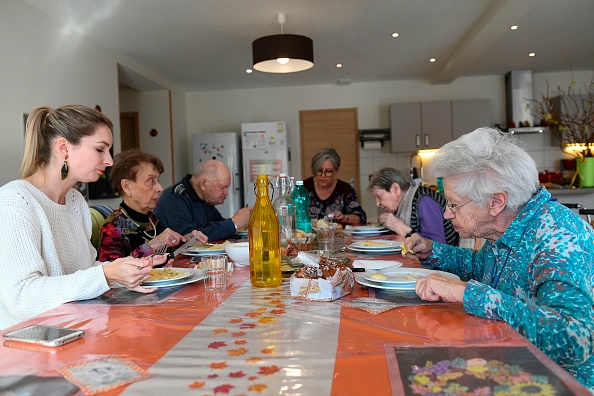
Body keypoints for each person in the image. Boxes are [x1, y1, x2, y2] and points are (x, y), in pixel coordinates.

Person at [403, 127, 594, 390]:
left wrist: (469, 293)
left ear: (496, 202)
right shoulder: (509, 226)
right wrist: (433, 250)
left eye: (454, 205)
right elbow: (482, 267)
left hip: (560, 383)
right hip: (509, 363)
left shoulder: (557, 236)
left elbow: (573, 340)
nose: (447, 214)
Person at [0, 105, 168, 330]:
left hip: (76, 328)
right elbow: (21, 299)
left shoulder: (75, 200)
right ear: (64, 148)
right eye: (100, 149)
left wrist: (127, 268)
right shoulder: (16, 200)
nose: (109, 161)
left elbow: (87, 270)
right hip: (29, 345)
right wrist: (106, 274)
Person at [98, 149, 207, 261]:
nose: (160, 188)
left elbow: (164, 256)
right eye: (151, 181)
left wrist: (186, 241)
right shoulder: (113, 227)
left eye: (157, 180)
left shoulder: (151, 219)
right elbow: (111, 272)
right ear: (127, 186)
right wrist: (150, 247)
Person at [154, 160, 251, 240]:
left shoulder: (204, 197)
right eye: (222, 188)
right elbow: (192, 238)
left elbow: (218, 224)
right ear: (203, 184)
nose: (226, 193)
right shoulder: (175, 198)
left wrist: (242, 222)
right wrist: (234, 223)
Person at [368, 167, 459, 245]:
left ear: (395, 189)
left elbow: (438, 244)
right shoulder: (403, 203)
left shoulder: (424, 200)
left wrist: (404, 230)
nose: (377, 203)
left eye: (379, 196)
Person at [304, 148, 366, 226]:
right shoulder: (303, 188)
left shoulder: (345, 189)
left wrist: (344, 218)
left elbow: (360, 217)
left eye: (328, 171)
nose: (323, 176)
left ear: (336, 171)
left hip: (337, 235)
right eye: (319, 171)